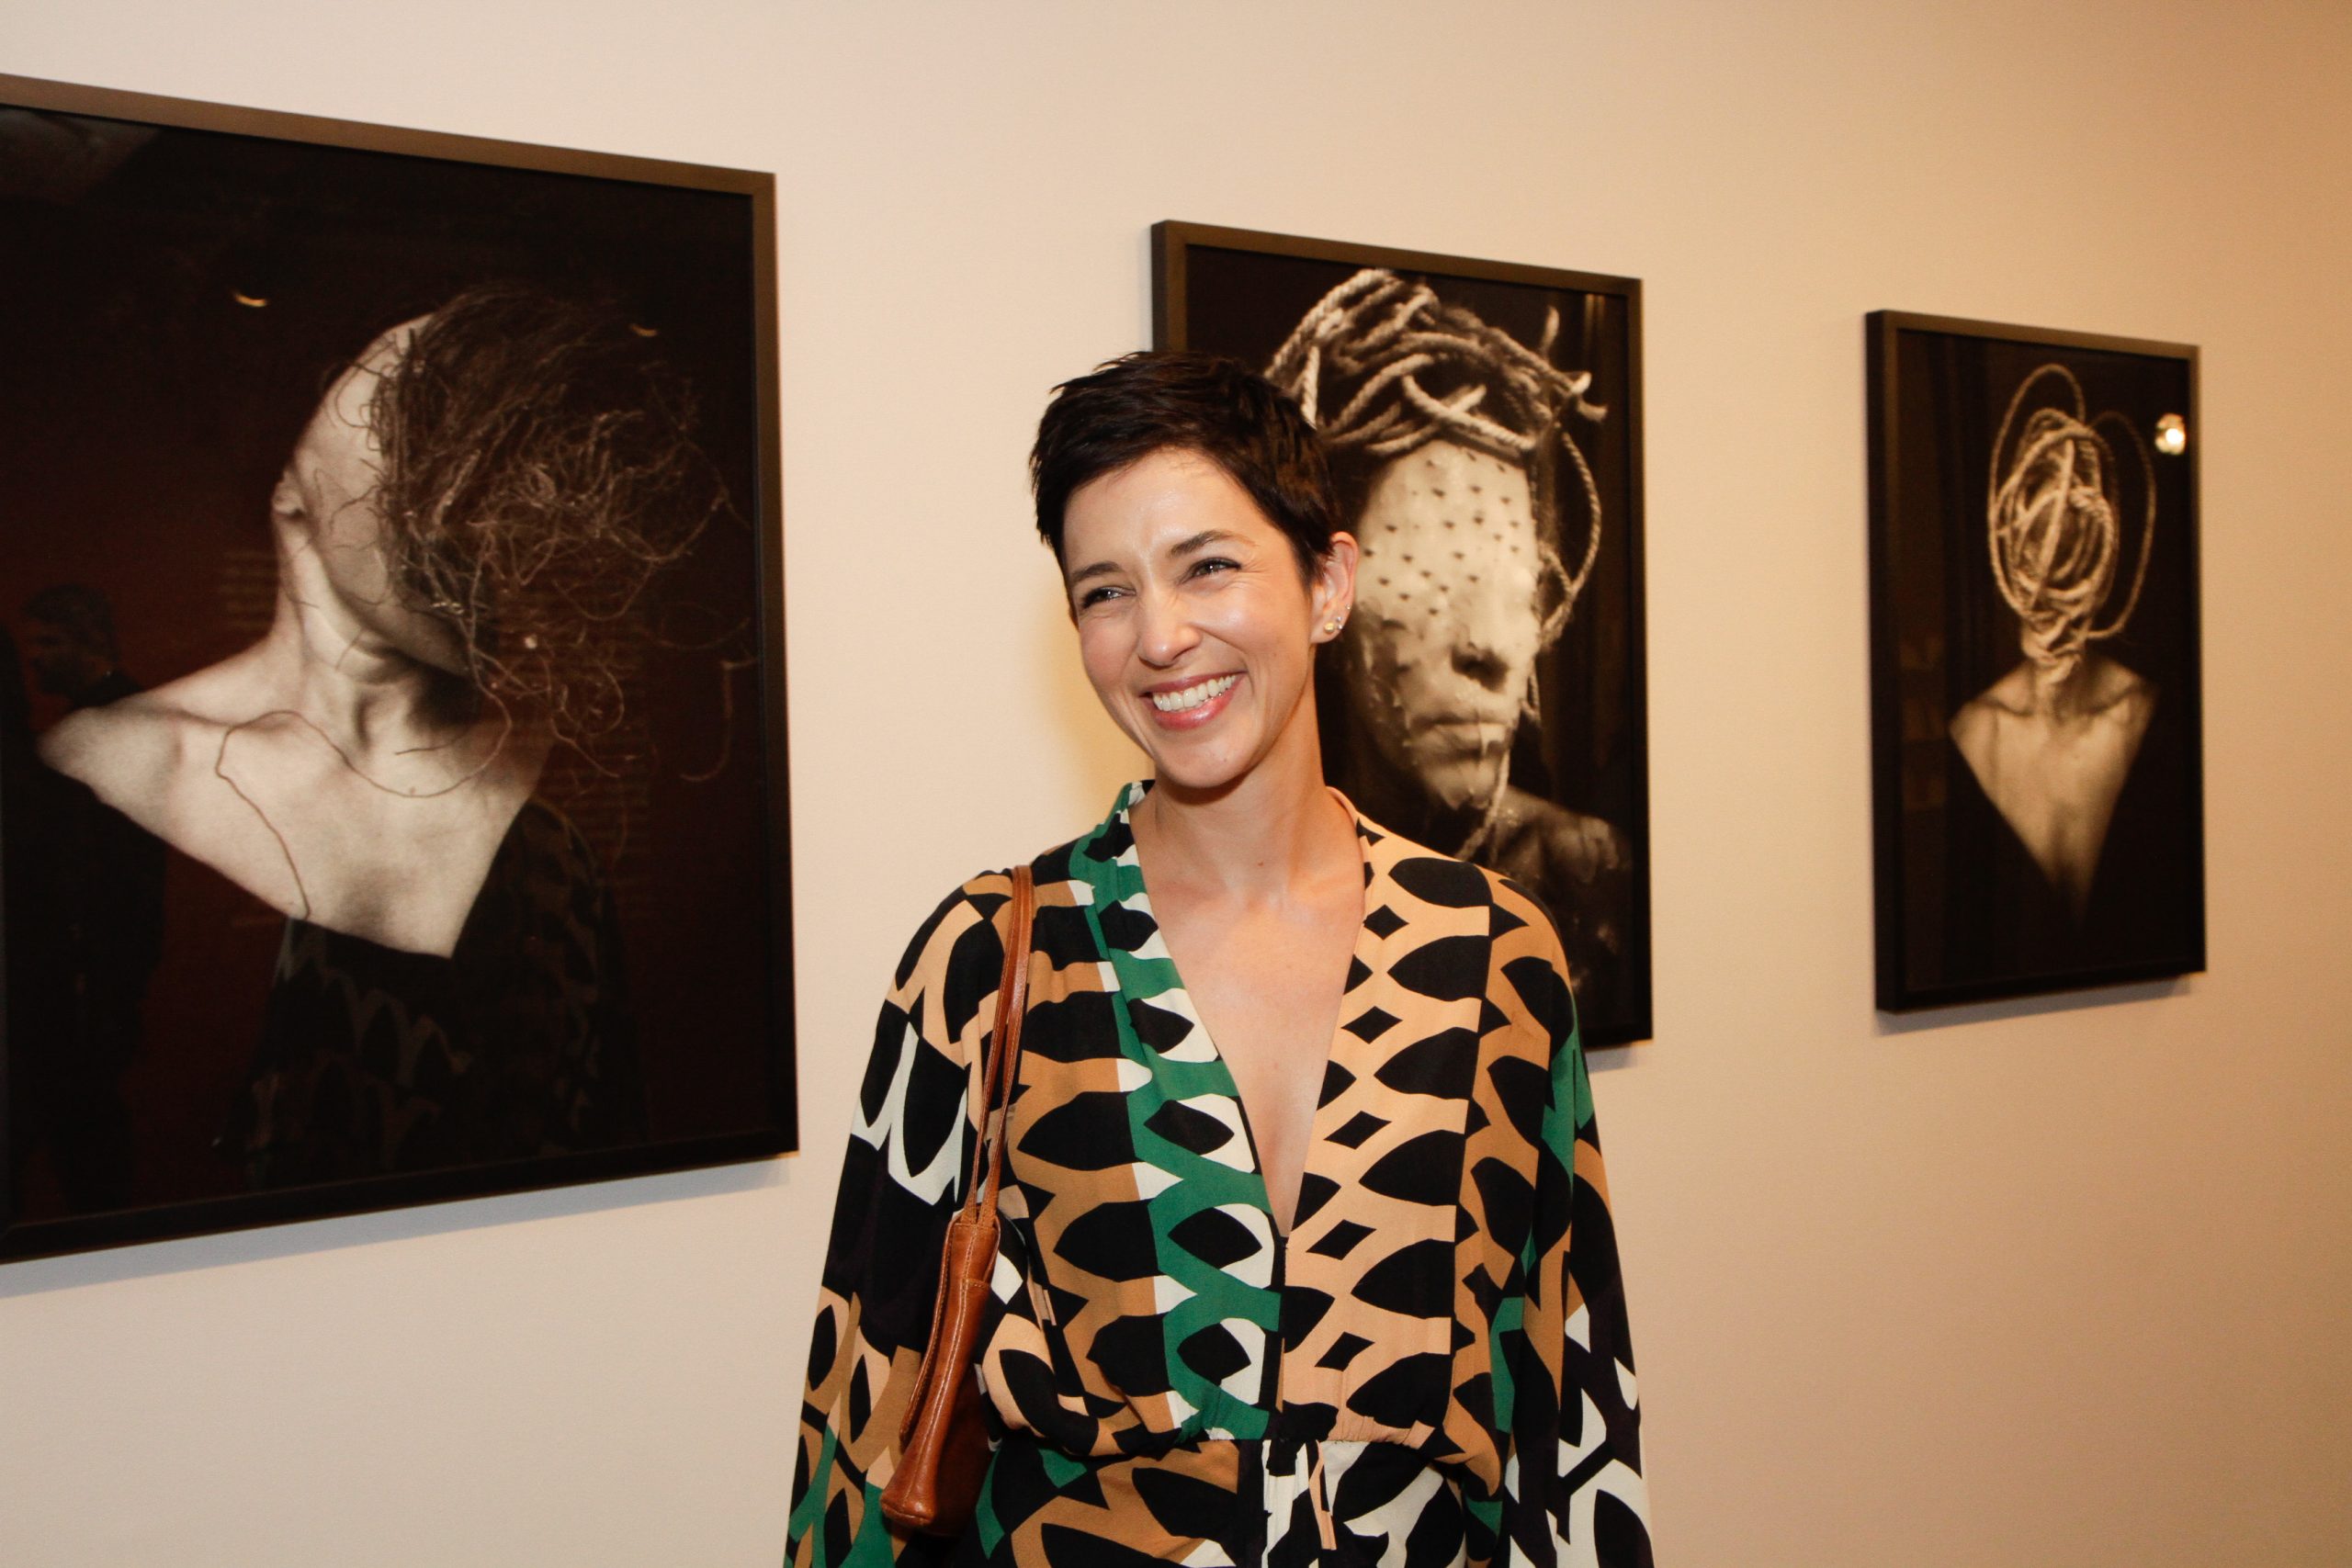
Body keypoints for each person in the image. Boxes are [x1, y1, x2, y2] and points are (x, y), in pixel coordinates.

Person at [786, 353, 1652, 1566]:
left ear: (1328, 582)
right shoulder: (991, 958)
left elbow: (1568, 1414)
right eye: (1105, 591)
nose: (1160, 636)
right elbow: (866, 1420)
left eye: (1207, 566)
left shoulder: (1492, 952)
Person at [37, 284, 720, 1183]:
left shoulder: (552, 859)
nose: (461, 467)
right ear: (290, 482)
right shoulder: (116, 765)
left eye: (493, 433)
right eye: (411, 410)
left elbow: (601, 1139)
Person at [1263, 269, 1633, 1029]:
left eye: (1515, 588)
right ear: (1331, 596)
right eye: (1430, 573)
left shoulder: (1579, 876)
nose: (1487, 645)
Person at [1947, 363, 2157, 919]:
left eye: (2067, 536)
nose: (2052, 548)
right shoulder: (1979, 730)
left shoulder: (2138, 712)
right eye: (2041, 538)